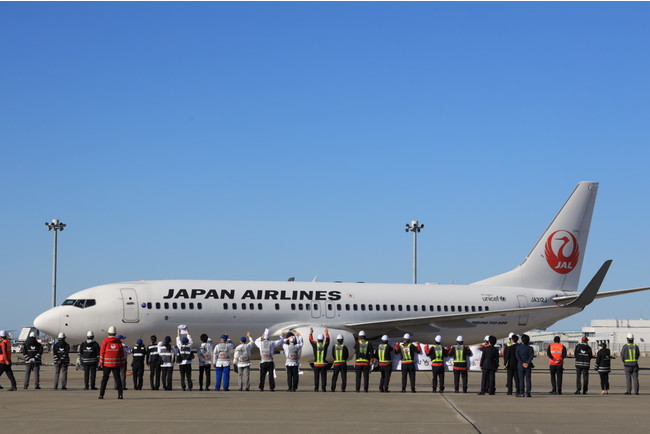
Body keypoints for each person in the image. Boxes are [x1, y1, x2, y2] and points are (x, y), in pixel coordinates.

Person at [98, 326, 126, 399]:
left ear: (108, 333)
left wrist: (101, 363)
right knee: (118, 379)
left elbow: (102, 352)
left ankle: (101, 394)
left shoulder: (105, 341)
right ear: (115, 333)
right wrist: (122, 362)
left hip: (106, 364)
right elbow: (121, 354)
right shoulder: (118, 342)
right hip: (116, 364)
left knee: (104, 379)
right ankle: (120, 395)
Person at [309, 327, 330, 392]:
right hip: (323, 365)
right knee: (323, 377)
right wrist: (326, 333)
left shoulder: (315, 344)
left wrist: (311, 332)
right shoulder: (325, 345)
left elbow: (310, 339)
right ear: (323, 339)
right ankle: (323, 388)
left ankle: (316, 388)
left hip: (316, 365)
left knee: (316, 377)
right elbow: (328, 340)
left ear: (318, 339)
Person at [516, 333, 534, 397]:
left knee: (521, 380)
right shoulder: (530, 348)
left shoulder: (518, 348)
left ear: (522, 340)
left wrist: (522, 363)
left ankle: (521, 392)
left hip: (520, 366)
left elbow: (517, 356)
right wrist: (527, 363)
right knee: (528, 379)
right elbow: (531, 356)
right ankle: (528, 392)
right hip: (528, 366)